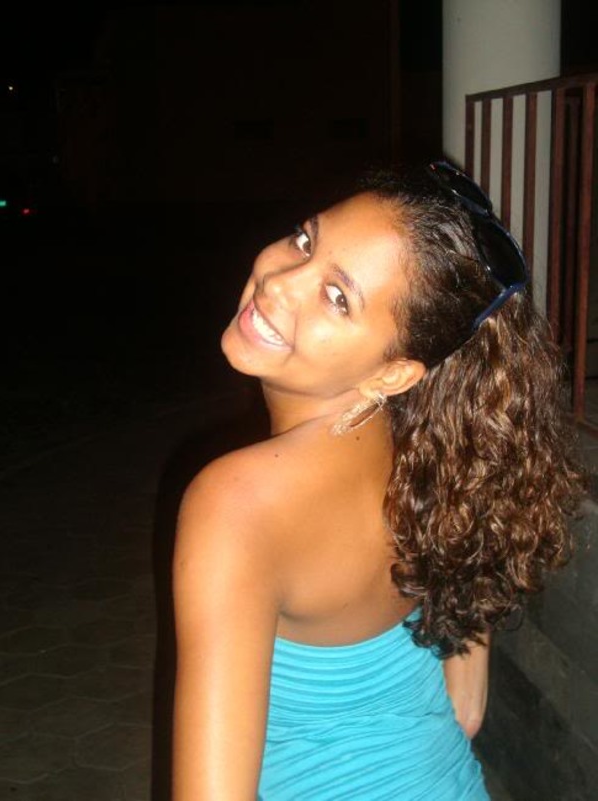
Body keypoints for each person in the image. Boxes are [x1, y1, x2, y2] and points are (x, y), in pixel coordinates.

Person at [172, 163, 584, 800]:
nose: (280, 282)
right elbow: (465, 707)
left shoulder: (237, 504)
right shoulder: (445, 461)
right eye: (305, 240)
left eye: (338, 297)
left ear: (394, 374)